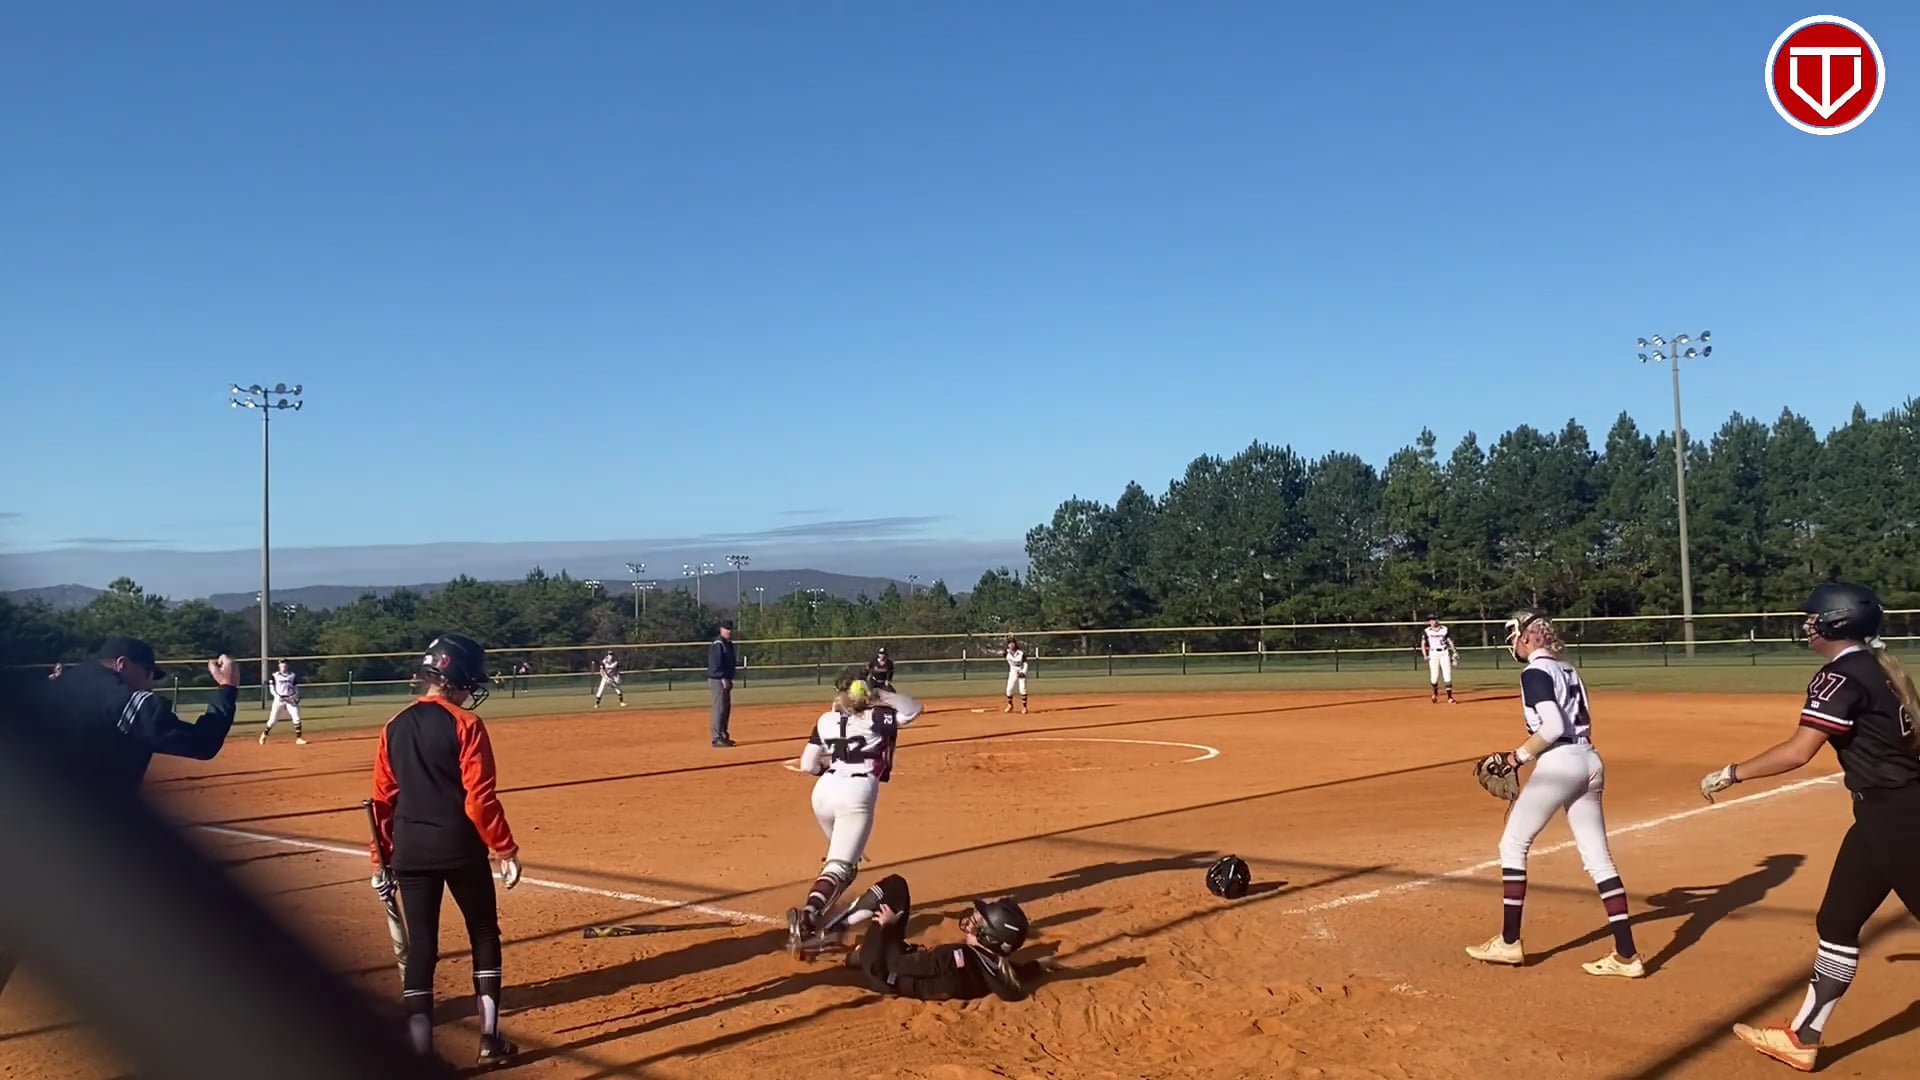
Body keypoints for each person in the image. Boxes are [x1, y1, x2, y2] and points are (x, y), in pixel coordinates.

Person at [1700, 583, 1920, 1072]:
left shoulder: (1840, 676)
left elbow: (1799, 751)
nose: (1807, 625)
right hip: (1882, 815)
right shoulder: (1880, 668)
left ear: (1837, 622)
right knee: (1838, 921)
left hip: (1897, 817)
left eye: (1814, 618)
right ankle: (1803, 1036)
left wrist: (1733, 772)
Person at [1, 636, 241, 1003]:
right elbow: (201, 744)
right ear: (123, 664)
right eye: (148, 675)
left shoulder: (50, 685)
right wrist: (227, 690)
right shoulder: (126, 700)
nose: (149, 685)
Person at [368, 633, 522, 1069]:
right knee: (483, 933)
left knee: (421, 947)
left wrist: (379, 860)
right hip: (459, 847)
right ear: (459, 679)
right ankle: (489, 1040)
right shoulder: (466, 724)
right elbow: (479, 800)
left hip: (410, 850)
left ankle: (420, 1053)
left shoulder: (393, 726)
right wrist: (505, 848)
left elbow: (382, 801)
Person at [1465, 608, 1644, 978]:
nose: (1511, 643)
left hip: (1560, 762)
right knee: (1599, 859)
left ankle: (1509, 942)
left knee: (1513, 845)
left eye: (1513, 635)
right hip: (1589, 759)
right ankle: (1626, 955)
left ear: (1527, 637)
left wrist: (1515, 758)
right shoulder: (1568, 669)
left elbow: (1553, 726)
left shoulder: (1534, 672)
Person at [785, 668, 924, 954]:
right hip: (856, 794)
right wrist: (881, 694)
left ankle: (819, 909)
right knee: (840, 867)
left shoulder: (825, 719)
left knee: (841, 864)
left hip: (823, 791)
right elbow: (913, 709)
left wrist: (831, 766)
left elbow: (807, 765)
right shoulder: (874, 717)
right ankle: (810, 917)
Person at [827, 873, 1029, 1002]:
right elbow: (1020, 970)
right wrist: (1039, 965)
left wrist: (887, 927)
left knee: (896, 887)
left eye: (975, 921)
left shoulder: (952, 956)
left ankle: (833, 929)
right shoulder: (994, 973)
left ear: (989, 938)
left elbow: (897, 963)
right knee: (911, 951)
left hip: (880, 970)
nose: (969, 923)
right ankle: (859, 954)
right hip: (898, 975)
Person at [262, 659, 306, 744]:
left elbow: (295, 687)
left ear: (287, 665)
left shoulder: (292, 675)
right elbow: (272, 689)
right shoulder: (275, 675)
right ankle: (264, 734)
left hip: (290, 698)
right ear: (279, 665)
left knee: (296, 717)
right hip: (279, 699)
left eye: (285, 664)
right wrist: (278, 696)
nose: (283, 666)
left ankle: (299, 738)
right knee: (273, 720)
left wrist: (296, 695)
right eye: (282, 664)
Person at [707, 623, 737, 747]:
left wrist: (729, 678)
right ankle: (716, 737)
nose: (729, 631)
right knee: (719, 708)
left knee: (725, 709)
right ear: (721, 630)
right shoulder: (718, 644)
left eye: (730, 629)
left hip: (726, 679)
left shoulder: (728, 644)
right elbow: (716, 664)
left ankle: (723, 735)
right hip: (718, 679)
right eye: (726, 629)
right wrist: (723, 677)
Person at [1421, 615, 1458, 704]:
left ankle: (1450, 697)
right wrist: (1425, 654)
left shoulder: (1444, 629)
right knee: (1434, 676)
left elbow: (1449, 641)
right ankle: (1435, 693)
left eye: (1433, 620)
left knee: (1447, 674)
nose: (1432, 622)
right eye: (1430, 620)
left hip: (1444, 652)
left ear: (1437, 620)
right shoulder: (1427, 631)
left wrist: (1454, 652)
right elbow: (1423, 643)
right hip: (1433, 653)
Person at [1003, 637, 1028, 714]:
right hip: (1013, 672)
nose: (1011, 645)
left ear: (1015, 644)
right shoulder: (1006, 653)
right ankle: (1010, 705)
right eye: (1009, 643)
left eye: (1012, 643)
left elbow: (1025, 663)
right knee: (1009, 689)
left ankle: (1024, 707)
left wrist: (1023, 672)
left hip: (1021, 671)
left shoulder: (1021, 653)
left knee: (1022, 689)